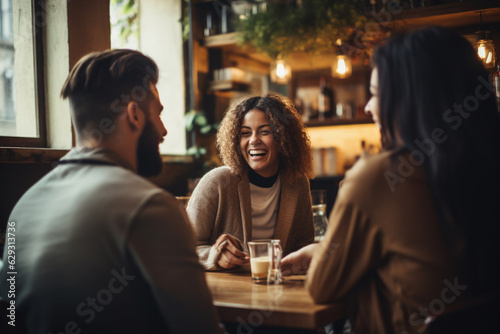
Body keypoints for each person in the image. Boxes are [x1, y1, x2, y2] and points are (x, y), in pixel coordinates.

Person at [281, 26, 500, 334]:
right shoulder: (482, 166)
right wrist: (325, 250)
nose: (368, 106)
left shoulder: (380, 176)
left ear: (412, 98)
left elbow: (322, 288)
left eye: (375, 93)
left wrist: (331, 254)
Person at [0, 49, 223, 333]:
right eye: (159, 114)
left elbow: (8, 318)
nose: (164, 130)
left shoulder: (23, 208)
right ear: (134, 114)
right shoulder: (151, 206)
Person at [187, 93, 315, 270]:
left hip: (278, 289)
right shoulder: (217, 182)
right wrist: (215, 256)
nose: (254, 140)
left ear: (283, 137)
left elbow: (304, 245)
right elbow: (183, 248)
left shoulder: (297, 183)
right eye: (245, 133)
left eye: (264, 131)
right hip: (227, 293)